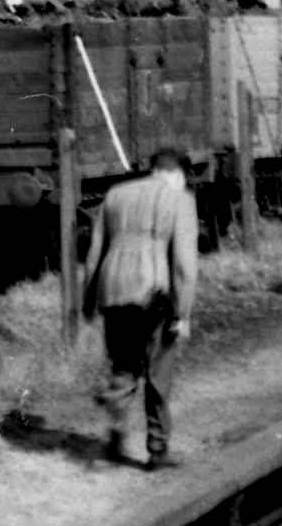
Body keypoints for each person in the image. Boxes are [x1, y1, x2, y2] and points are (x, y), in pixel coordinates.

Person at [84, 145, 201, 467]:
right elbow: (184, 267)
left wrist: (88, 302)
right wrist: (183, 314)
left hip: (113, 290)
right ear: (177, 174)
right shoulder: (181, 199)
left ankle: (115, 427)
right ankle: (158, 450)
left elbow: (94, 254)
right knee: (158, 372)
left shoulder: (116, 194)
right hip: (154, 293)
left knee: (123, 365)